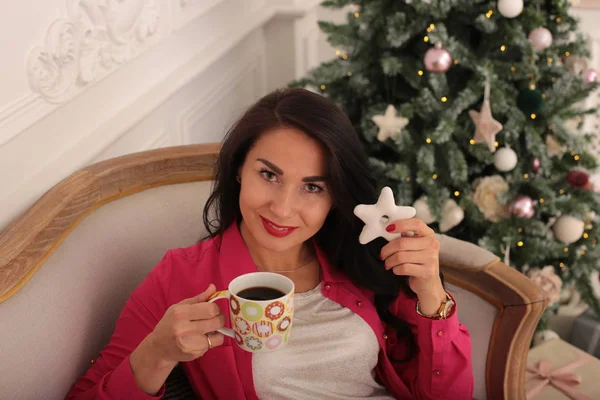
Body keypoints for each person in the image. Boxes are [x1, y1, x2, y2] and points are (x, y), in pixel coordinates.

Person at [65, 88, 473, 400]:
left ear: (335, 196)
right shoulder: (182, 275)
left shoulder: (363, 258)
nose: (282, 208)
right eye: (269, 175)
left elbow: (447, 394)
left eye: (312, 187)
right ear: (239, 169)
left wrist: (432, 293)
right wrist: (157, 352)